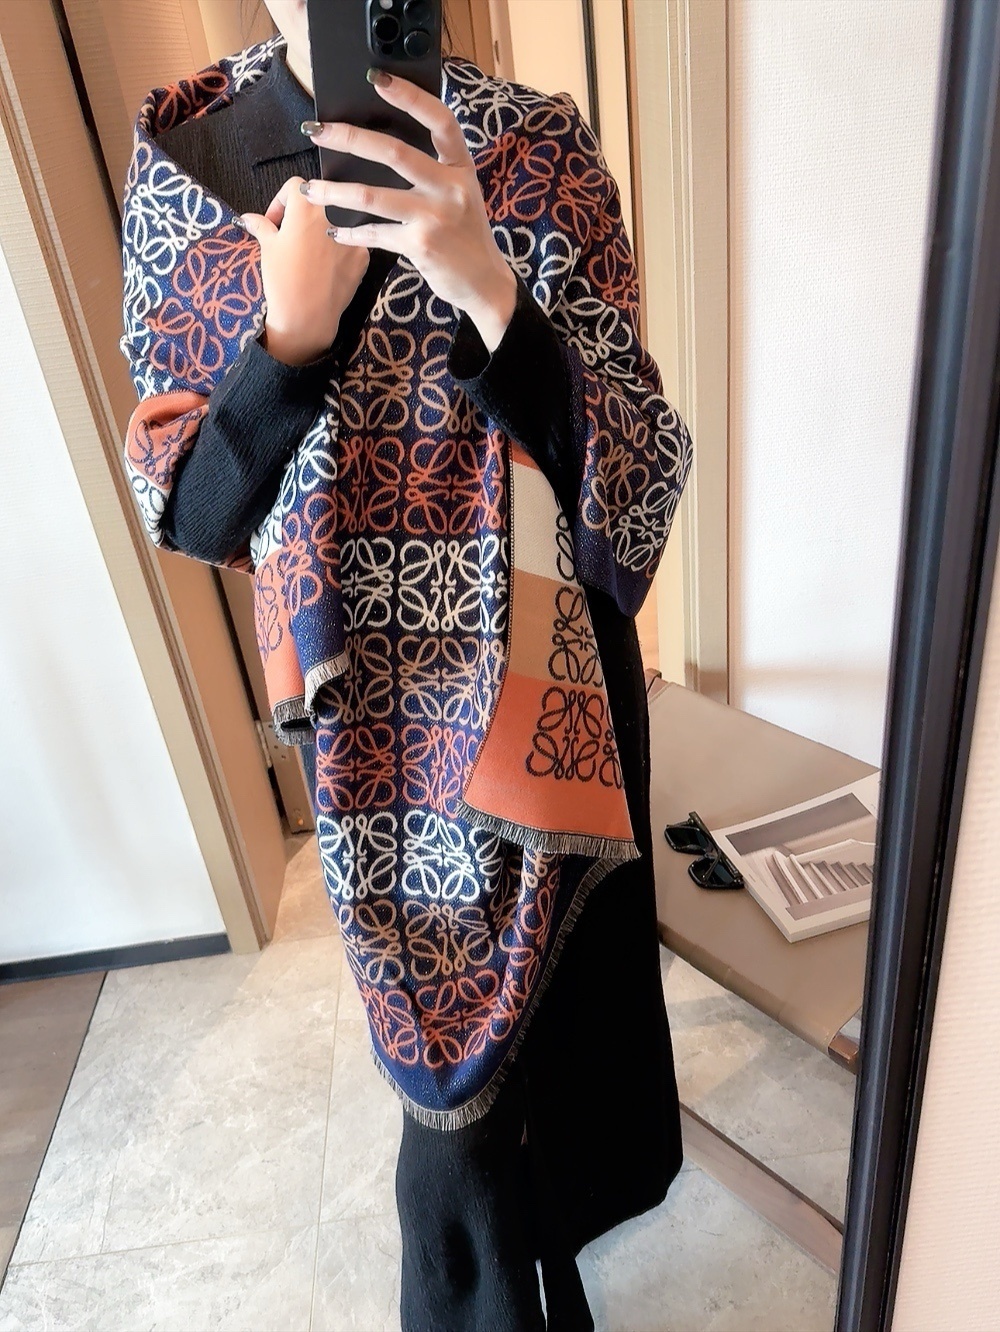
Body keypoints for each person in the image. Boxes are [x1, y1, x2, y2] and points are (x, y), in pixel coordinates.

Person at [119, 1, 692, 1326]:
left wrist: (488, 285)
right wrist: (289, 338)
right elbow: (195, 513)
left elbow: (638, 494)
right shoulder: (195, 163)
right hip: (372, 748)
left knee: (569, 1067)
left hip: (552, 705)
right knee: (451, 1127)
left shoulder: (538, 148)